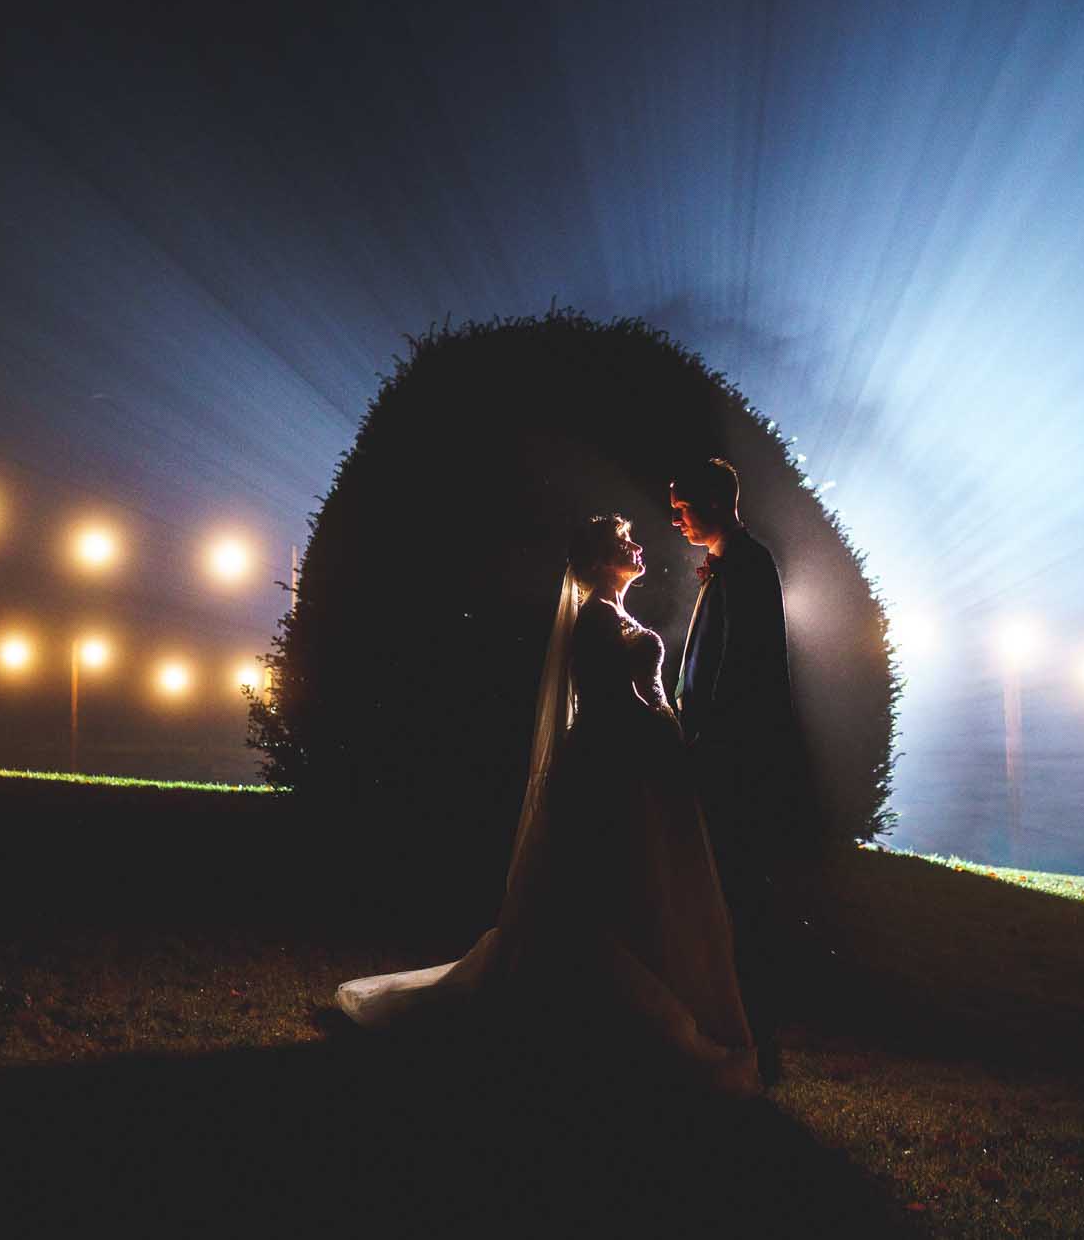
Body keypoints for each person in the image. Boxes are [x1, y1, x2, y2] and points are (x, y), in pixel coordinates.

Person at [332, 514, 759, 1097]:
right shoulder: (594, 620)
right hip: (613, 770)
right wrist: (666, 736)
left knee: (634, 891)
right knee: (597, 897)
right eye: (622, 543)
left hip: (638, 768)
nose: (637, 547)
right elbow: (612, 705)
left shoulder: (617, 616)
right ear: (597, 561)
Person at [669, 458, 816, 1083]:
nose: (676, 519)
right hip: (722, 754)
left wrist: (703, 739)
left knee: (741, 896)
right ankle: (735, 1025)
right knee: (727, 893)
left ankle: (754, 1034)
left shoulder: (748, 565)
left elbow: (740, 669)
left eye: (682, 508)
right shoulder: (731, 563)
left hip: (735, 759)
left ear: (713, 503)